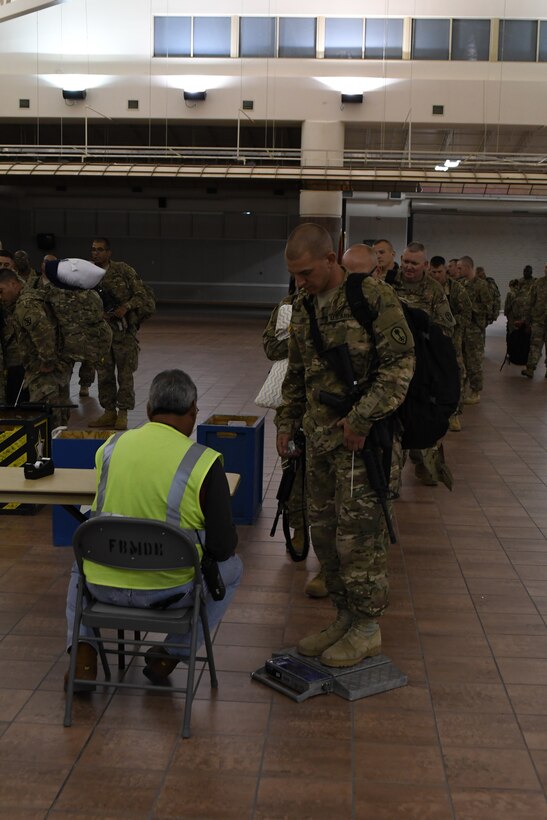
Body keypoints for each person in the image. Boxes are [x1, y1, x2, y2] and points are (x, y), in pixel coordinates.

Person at [275, 223, 415, 668]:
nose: (301, 282)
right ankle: (343, 616)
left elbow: (400, 365)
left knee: (361, 538)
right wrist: (286, 421)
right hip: (318, 441)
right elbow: (295, 373)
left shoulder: (371, 297)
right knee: (325, 534)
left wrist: (360, 419)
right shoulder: (302, 306)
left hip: (363, 443)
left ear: (331, 259)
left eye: (307, 273)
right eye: (294, 275)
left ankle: (367, 628)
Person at [65, 368, 243, 690]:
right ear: (193, 412)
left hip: (103, 586)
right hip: (170, 592)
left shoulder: (109, 449)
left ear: (148, 410)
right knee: (234, 567)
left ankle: (83, 653)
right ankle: (170, 653)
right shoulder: (205, 462)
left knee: (80, 563)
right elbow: (222, 547)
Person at [262, 282, 327, 599]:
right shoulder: (287, 306)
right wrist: (296, 340)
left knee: (327, 479)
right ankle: (299, 530)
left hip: (328, 409)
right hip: (292, 403)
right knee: (293, 470)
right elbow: (270, 348)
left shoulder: (338, 306)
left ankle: (329, 552)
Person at [390, 243, 455, 486]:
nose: (408, 266)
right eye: (406, 261)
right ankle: (393, 478)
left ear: (425, 265)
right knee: (398, 421)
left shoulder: (434, 291)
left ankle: (427, 464)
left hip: (423, 368)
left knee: (423, 418)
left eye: (414, 263)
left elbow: (446, 329)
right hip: (395, 366)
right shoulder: (389, 284)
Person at [88, 237, 149, 431]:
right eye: (93, 249)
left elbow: (142, 295)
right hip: (102, 334)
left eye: (100, 250)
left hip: (123, 333)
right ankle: (108, 412)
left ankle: (123, 413)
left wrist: (125, 307)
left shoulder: (123, 270)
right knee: (104, 374)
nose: (95, 253)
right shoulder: (88, 274)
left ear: (108, 253)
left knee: (125, 374)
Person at [0, 268, 64, 426]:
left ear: (14, 284)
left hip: (43, 371)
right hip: (41, 368)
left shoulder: (25, 305)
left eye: (1, 291)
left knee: (44, 413)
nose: (0, 297)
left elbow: (44, 332)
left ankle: (50, 447)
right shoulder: (28, 299)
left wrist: (47, 361)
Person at [429, 255, 471, 432]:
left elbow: (466, 314)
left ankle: (454, 414)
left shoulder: (457, 290)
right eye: (433, 272)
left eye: (439, 272)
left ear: (445, 270)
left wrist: (449, 323)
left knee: (456, 375)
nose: (436, 275)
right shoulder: (426, 288)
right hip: (429, 342)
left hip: (451, 341)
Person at [458, 255, 491, 404]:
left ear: (467, 267)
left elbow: (488, 306)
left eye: (460, 268)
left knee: (474, 361)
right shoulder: (461, 284)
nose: (457, 270)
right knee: (462, 360)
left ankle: (476, 391)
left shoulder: (481, 285)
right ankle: (463, 389)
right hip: (462, 329)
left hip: (474, 330)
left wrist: (470, 308)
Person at [522, 262, 547, 379]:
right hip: (539, 321)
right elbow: (530, 302)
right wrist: (526, 320)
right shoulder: (538, 283)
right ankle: (530, 369)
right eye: (545, 267)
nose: (546, 269)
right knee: (535, 345)